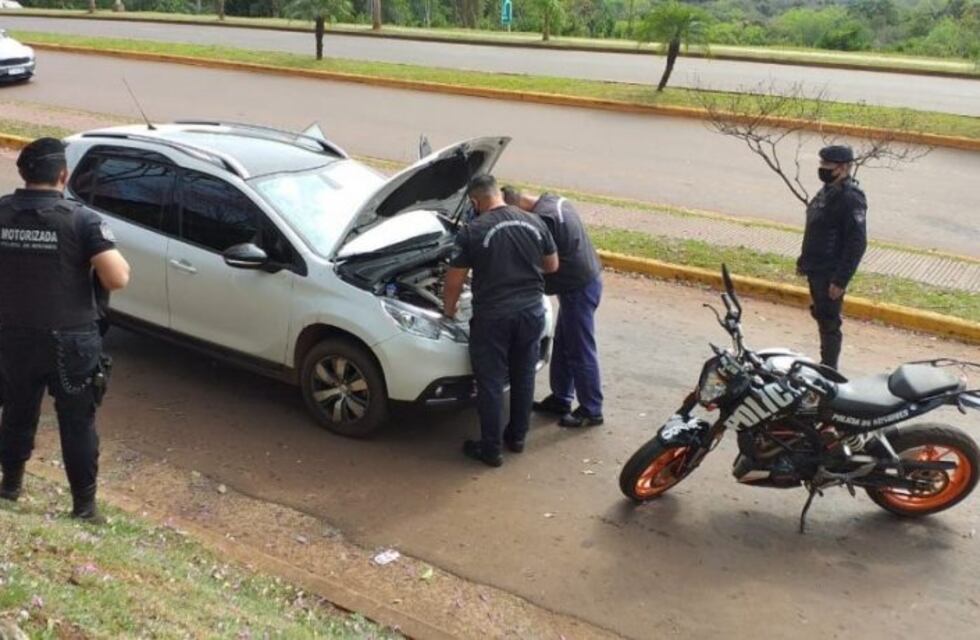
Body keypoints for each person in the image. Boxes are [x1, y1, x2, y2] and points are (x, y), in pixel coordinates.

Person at [0, 137, 130, 521]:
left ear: (23, 174)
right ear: (63, 175)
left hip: (11, 336)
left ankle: (10, 486)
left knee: (17, 412)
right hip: (70, 340)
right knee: (77, 422)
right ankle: (84, 507)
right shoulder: (82, 219)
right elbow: (117, 277)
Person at [443, 175, 558, 467]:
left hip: (494, 317)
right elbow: (552, 265)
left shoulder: (474, 230)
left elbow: (454, 281)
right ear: (498, 194)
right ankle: (517, 438)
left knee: (491, 382)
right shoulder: (534, 222)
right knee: (523, 375)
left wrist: (449, 310)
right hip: (531, 311)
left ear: (474, 201)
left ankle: (490, 449)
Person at [502, 187, 604, 428]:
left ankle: (592, 409)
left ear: (517, 207)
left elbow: (545, 264)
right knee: (564, 343)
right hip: (584, 281)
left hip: (579, 287)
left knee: (579, 348)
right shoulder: (553, 201)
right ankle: (561, 399)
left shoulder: (544, 221)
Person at [796, 144, 868, 371]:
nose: (823, 168)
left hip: (830, 272)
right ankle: (825, 365)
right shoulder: (828, 191)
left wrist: (840, 280)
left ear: (844, 167)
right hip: (816, 268)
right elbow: (817, 229)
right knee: (821, 315)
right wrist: (804, 261)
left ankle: (829, 370)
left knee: (829, 322)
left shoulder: (851, 198)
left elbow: (857, 243)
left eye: (828, 165)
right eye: (822, 164)